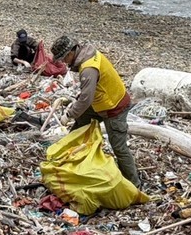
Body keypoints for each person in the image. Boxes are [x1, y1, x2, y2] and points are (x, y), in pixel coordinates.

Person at [50, 35, 141, 187]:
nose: (64, 62)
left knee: (119, 147)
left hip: (114, 106)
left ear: (71, 52)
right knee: (80, 126)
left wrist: (69, 114)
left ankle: (134, 184)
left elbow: (86, 98)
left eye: (64, 58)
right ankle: (68, 156)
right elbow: (88, 93)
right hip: (99, 101)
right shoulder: (88, 54)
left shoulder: (88, 68)